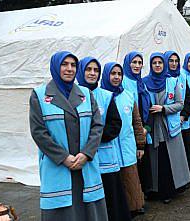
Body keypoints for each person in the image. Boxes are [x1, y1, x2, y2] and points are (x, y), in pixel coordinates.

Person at [29, 51, 108, 221]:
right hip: (58, 165)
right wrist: (63, 157)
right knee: (63, 211)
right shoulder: (40, 95)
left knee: (89, 208)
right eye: (64, 64)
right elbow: (38, 132)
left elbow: (97, 126)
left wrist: (86, 154)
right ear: (56, 67)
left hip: (85, 164)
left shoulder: (86, 94)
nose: (69, 69)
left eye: (73, 65)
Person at [76, 57, 131, 221]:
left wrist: (93, 140)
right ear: (81, 71)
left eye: (96, 70)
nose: (92, 73)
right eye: (88, 69)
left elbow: (115, 124)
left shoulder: (107, 96)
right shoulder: (73, 96)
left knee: (110, 199)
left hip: (105, 157)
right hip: (82, 158)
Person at [143, 52, 190, 203]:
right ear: (151, 65)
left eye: (160, 63)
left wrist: (163, 109)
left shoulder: (172, 81)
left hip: (169, 128)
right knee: (154, 160)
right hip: (152, 127)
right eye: (154, 63)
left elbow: (180, 104)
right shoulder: (144, 82)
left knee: (169, 159)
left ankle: (169, 191)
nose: (157, 65)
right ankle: (154, 190)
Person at [102, 61, 146, 218]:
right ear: (106, 75)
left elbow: (137, 121)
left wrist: (140, 144)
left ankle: (134, 206)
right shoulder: (101, 96)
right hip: (109, 148)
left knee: (131, 179)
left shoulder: (128, 95)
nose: (116, 77)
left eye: (119, 74)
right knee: (115, 183)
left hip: (127, 146)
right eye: (113, 74)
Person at [122, 51, 153, 198]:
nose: (137, 65)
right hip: (129, 130)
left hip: (143, 130)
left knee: (143, 163)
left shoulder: (141, 83)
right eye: (134, 62)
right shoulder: (122, 82)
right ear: (128, 64)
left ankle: (142, 194)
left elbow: (149, 107)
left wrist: (146, 128)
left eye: (140, 63)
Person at [164, 51, 190, 179]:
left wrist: (184, 116)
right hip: (170, 123)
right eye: (171, 60)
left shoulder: (182, 76)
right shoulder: (163, 78)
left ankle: (187, 176)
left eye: (176, 61)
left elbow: (187, 98)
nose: (173, 63)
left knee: (186, 150)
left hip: (183, 122)